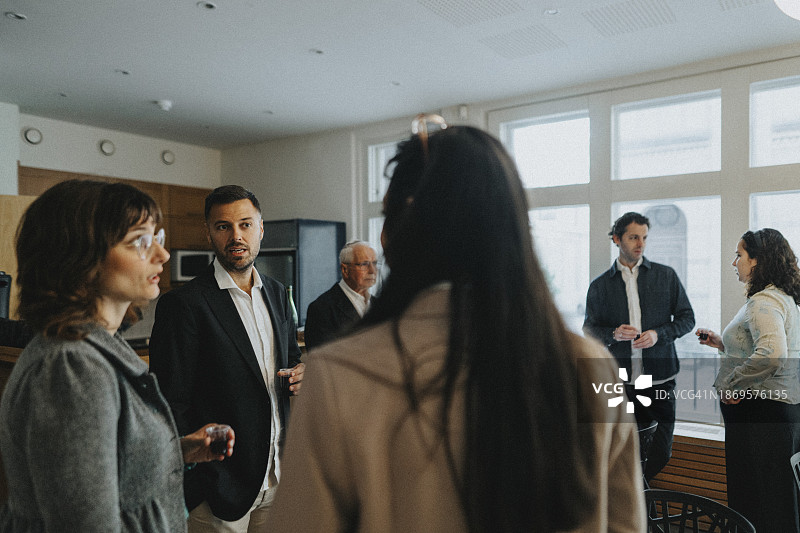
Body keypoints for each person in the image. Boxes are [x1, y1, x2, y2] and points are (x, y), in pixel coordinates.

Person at [266, 119, 645, 532]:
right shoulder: (595, 365)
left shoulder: (336, 377)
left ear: (392, 239)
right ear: (516, 231)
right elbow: (626, 521)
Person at [0, 179, 234, 533]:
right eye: (140, 241)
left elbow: (111, 468)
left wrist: (180, 450)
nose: (162, 255)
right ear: (80, 257)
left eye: (158, 236)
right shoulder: (71, 366)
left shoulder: (103, 344)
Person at [149, 185, 304, 532]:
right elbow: (170, 403)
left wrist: (301, 372)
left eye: (245, 224)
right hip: (219, 486)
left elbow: (291, 358)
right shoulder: (184, 304)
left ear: (261, 228)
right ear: (209, 233)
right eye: (223, 227)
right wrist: (198, 477)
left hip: (279, 474)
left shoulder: (278, 293)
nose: (236, 236)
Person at [697, 228, 800, 532]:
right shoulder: (784, 298)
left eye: (739, 255)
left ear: (757, 260)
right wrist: (723, 344)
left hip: (760, 418)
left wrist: (732, 384)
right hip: (781, 414)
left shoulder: (762, 303)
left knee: (757, 506)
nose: (734, 263)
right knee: (779, 501)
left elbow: (771, 354)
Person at [583, 211, 695, 482]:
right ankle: (638, 515)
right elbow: (589, 330)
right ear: (616, 238)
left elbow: (687, 319)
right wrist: (613, 333)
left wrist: (659, 335)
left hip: (659, 382)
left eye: (644, 237)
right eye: (634, 237)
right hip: (620, 386)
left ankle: (638, 507)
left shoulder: (666, 276)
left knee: (660, 452)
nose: (640, 243)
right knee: (622, 453)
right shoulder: (599, 286)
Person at [304, 240, 378, 351]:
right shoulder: (321, 309)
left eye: (375, 263)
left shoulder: (380, 304)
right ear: (345, 270)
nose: (372, 271)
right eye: (364, 264)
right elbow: (321, 360)